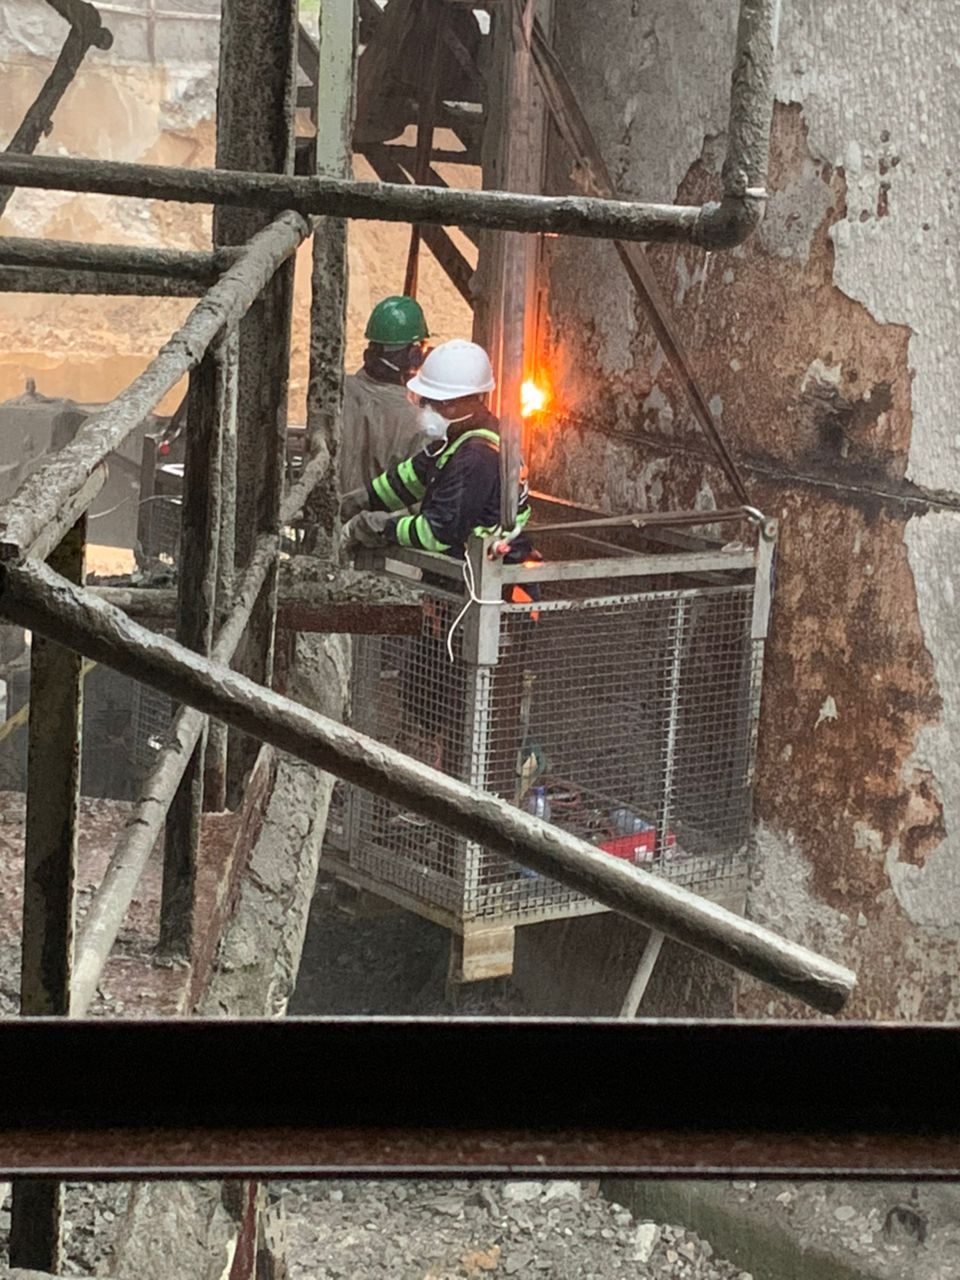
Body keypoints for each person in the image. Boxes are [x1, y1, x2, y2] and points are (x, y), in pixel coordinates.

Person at [340, 338, 533, 562]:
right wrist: (345, 505)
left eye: (431, 401)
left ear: (454, 403)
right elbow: (402, 483)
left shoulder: (476, 457)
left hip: (484, 571)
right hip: (464, 565)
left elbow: (436, 532)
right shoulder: (457, 437)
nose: (425, 408)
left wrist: (373, 526)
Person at [340, 295, 433, 493]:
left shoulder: (338, 392)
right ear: (413, 355)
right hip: (374, 514)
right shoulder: (417, 422)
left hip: (325, 511)